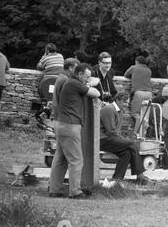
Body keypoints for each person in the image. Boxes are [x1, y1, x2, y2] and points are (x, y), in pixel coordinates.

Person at [48, 63, 101, 199]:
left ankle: (55, 189)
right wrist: (90, 84)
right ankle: (75, 192)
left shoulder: (70, 83)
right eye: (87, 77)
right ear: (80, 74)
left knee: (60, 158)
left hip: (61, 124)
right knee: (76, 160)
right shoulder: (75, 83)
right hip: (70, 126)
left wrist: (88, 83)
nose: (88, 79)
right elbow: (96, 93)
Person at [100, 91, 149, 184]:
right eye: (124, 102)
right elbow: (110, 131)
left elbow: (116, 132)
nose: (126, 104)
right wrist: (124, 140)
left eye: (127, 102)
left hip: (110, 139)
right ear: (117, 100)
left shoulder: (119, 111)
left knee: (126, 153)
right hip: (102, 139)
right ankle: (140, 175)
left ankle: (117, 179)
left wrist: (123, 139)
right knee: (132, 144)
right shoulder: (108, 109)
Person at [124, 56, 153, 139]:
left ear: (137, 62)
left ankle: (135, 135)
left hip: (139, 93)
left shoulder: (134, 67)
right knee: (145, 116)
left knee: (135, 114)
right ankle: (145, 130)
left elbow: (125, 75)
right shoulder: (149, 70)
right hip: (149, 94)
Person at [51, 58, 81, 123]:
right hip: (61, 119)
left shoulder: (62, 78)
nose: (78, 72)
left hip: (58, 117)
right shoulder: (65, 81)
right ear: (70, 68)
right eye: (77, 69)